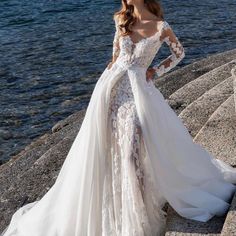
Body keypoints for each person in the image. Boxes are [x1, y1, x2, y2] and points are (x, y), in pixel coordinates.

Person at [1, 0, 236, 235]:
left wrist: (155, 71)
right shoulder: (121, 20)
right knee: (111, 148)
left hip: (138, 94)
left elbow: (179, 53)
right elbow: (115, 56)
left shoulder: (160, 26)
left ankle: (137, 210)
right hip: (110, 91)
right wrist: (108, 76)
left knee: (131, 148)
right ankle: (116, 206)